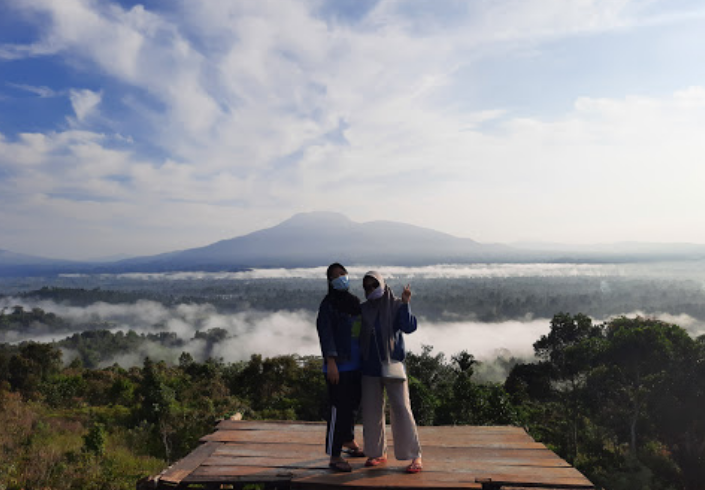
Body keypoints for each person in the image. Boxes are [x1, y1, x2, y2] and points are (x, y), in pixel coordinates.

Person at [360, 271, 423, 473]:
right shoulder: (363, 310)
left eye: (373, 285)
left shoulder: (395, 305)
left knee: (402, 409)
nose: (370, 289)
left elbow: (409, 327)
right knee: (371, 412)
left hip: (393, 364)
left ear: (382, 284)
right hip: (369, 367)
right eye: (367, 287)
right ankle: (377, 452)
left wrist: (406, 303)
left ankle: (414, 456)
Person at [316, 263, 366, 472]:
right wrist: (331, 362)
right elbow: (325, 334)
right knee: (338, 409)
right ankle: (334, 455)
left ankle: (348, 440)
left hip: (356, 364)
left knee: (352, 407)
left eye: (343, 273)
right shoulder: (328, 305)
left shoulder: (354, 302)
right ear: (330, 281)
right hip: (338, 366)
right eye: (336, 276)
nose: (342, 278)